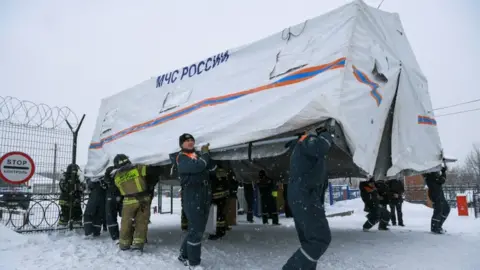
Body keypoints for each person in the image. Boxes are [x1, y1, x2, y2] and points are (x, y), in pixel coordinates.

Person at [282, 124, 334, 270]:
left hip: (303, 196)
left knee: (310, 241)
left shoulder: (301, 148)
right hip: (305, 195)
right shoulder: (306, 141)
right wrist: (326, 134)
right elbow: (321, 146)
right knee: (320, 239)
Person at [176, 133, 214, 269]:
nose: (190, 142)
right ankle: (194, 263)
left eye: (192, 140)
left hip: (203, 194)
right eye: (186, 141)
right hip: (192, 195)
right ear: (181, 144)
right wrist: (205, 156)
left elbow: (210, 168)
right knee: (196, 230)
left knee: (196, 228)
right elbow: (198, 167)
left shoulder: (196, 156)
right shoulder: (181, 157)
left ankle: (183, 255)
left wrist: (206, 159)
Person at [112, 154, 164, 252]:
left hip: (127, 202)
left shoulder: (116, 176)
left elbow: (117, 189)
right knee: (141, 222)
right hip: (143, 200)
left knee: (126, 223)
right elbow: (155, 171)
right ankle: (138, 245)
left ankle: (124, 244)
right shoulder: (137, 168)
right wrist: (151, 183)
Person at [424, 165, 450, 234]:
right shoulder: (430, 174)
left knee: (446, 209)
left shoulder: (433, 174)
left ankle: (438, 226)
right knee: (438, 210)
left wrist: (442, 171)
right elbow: (441, 180)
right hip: (436, 194)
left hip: (438, 193)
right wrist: (443, 172)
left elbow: (441, 180)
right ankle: (435, 227)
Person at [208, 166, 230, 240]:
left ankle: (219, 232)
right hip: (222, 200)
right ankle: (222, 230)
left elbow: (214, 190)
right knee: (221, 215)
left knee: (219, 216)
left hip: (218, 200)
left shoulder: (216, 180)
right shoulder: (225, 180)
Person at [104, 166, 122, 241]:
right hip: (122, 195)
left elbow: (106, 179)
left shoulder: (109, 177)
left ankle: (115, 236)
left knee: (111, 216)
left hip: (112, 195)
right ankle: (127, 234)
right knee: (127, 216)